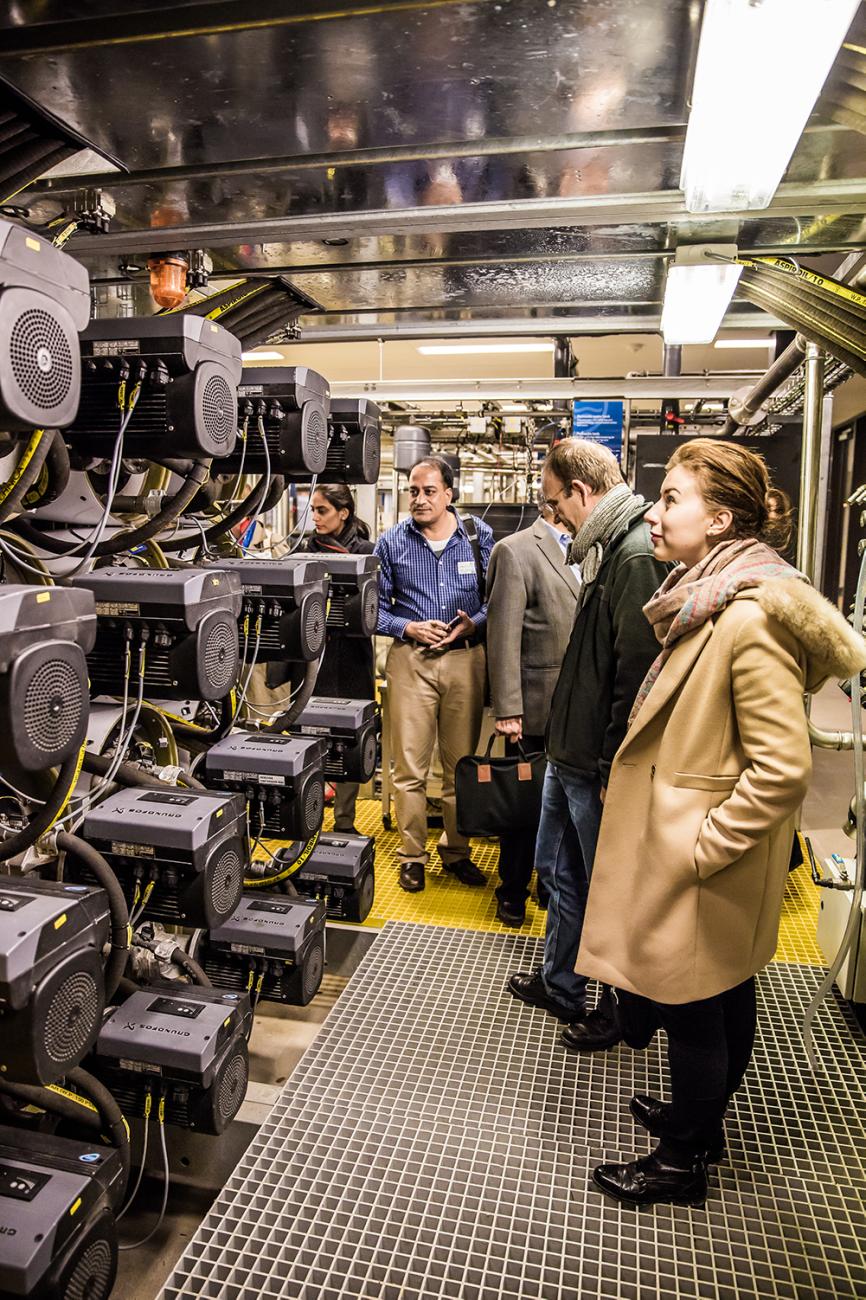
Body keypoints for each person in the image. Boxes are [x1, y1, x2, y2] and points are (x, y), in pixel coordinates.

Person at [577, 438, 866, 1208]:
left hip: (703, 857)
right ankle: (699, 1126)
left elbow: (782, 767)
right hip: (699, 852)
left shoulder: (749, 620)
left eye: (672, 497)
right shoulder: (709, 594)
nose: (656, 510)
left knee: (694, 1012)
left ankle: (679, 1161)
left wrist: (701, 846)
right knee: (722, 996)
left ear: (721, 518)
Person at [507, 438, 668, 1047]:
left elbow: (635, 675)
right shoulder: (609, 549)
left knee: (608, 891)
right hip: (568, 753)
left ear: (581, 491)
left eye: (556, 505)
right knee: (564, 875)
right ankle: (562, 984)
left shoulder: (631, 556)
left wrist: (609, 765)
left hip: (594, 764)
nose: (556, 518)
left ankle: (620, 1011)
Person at [375, 456, 493, 892]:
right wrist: (406, 626)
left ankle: (457, 851)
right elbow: (375, 610)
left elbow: (493, 599)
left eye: (429, 491)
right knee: (409, 768)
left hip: (465, 658)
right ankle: (412, 855)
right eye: (413, 491)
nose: (419, 499)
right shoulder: (391, 544)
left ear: (449, 493)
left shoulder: (479, 538)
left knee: (460, 766)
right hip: (412, 660)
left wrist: (473, 623)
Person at [485, 499, 580, 926]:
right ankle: (512, 889)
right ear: (554, 502)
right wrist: (508, 708)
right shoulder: (517, 549)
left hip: (576, 708)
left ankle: (549, 882)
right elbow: (503, 633)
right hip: (533, 707)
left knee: (561, 807)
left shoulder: (590, 549)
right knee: (524, 807)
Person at [306, 484, 375, 834]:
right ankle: (311, 817)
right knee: (311, 738)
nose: (315, 517)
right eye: (314, 510)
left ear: (343, 512)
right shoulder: (304, 552)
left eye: (322, 510)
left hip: (352, 659)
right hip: (314, 661)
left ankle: (344, 822)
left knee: (351, 738)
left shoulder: (367, 553)